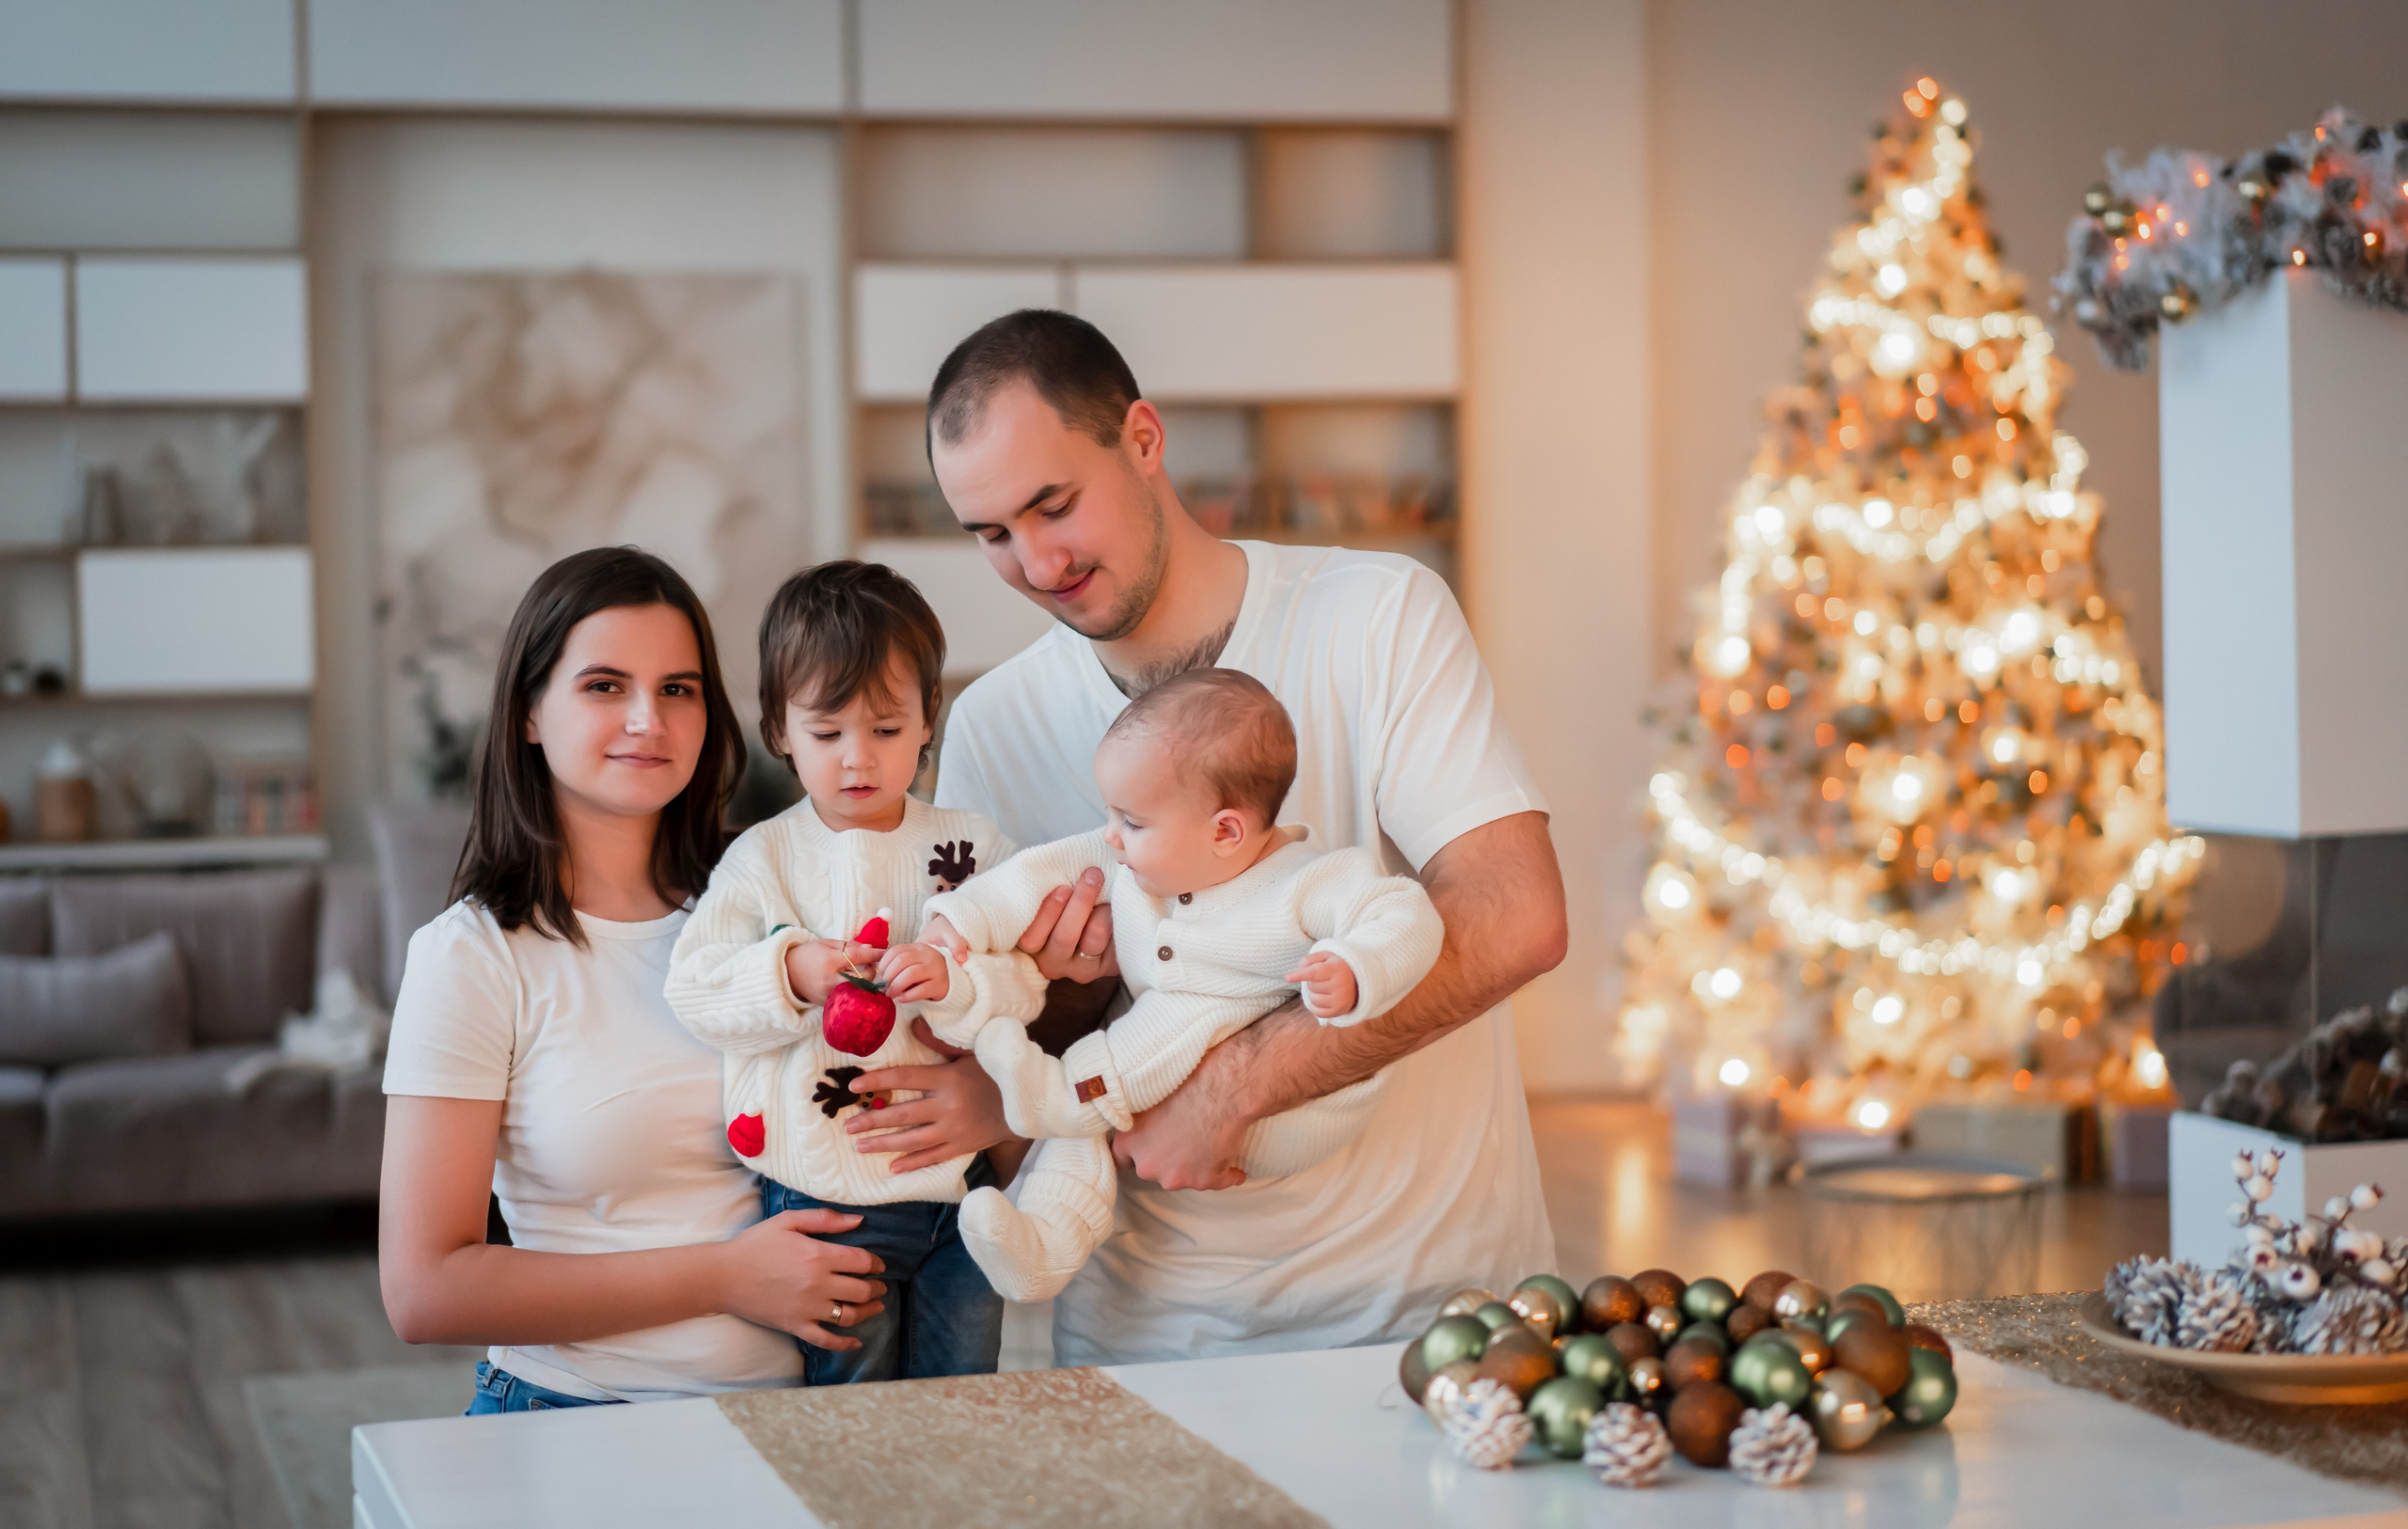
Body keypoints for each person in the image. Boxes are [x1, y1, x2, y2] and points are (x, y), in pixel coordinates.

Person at [923, 309, 1569, 1363]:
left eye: (1052, 506)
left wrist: (1233, 1090)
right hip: (1149, 1334)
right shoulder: (995, 725)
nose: (1036, 563)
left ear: (1141, 440)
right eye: (992, 534)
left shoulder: (1377, 614)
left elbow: (1517, 914)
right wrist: (1069, 989)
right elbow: (1011, 1078)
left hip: (1433, 1309)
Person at [378, 547, 888, 1411]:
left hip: (808, 1423)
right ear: (531, 713)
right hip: (575, 1417)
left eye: (679, 689)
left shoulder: (781, 912)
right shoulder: (472, 956)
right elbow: (425, 1289)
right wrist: (727, 1277)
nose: (649, 720)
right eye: (605, 686)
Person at [917, 667, 1444, 1302]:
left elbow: (1405, 915)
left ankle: (1057, 1091)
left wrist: (1359, 967)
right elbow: (1041, 872)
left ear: (1225, 832)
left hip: (1295, 1112)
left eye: (1131, 822)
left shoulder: (1309, 881)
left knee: (1172, 1023)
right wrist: (959, 919)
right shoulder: (1134, 859)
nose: (1112, 835)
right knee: (1087, 1127)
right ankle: (1043, 1249)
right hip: (1151, 1073)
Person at [664, 560, 1043, 1383]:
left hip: (960, 1194)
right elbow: (695, 988)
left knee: (961, 1398)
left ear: (928, 719)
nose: (856, 760)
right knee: (852, 1407)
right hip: (823, 1197)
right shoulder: (763, 856)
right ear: (778, 729)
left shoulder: (972, 848)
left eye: (885, 728)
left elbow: (1028, 986)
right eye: (826, 733)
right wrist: (795, 972)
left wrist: (959, 987)